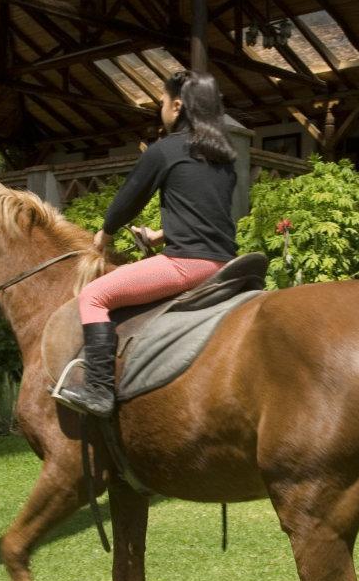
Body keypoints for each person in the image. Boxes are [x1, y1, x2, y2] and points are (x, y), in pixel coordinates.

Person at [54, 70, 238, 417]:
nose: (162, 109)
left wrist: (104, 235)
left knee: (94, 297)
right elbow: (209, 213)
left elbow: (129, 201)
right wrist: (159, 235)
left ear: (178, 105)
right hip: (225, 264)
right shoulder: (223, 159)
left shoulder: (166, 150)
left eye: (163, 102)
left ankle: (98, 392)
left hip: (186, 265)